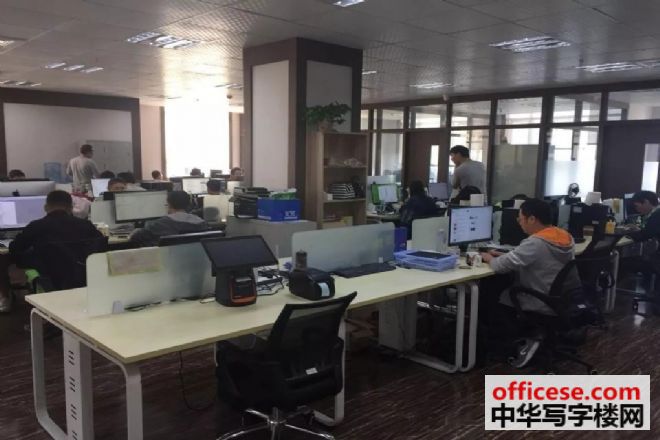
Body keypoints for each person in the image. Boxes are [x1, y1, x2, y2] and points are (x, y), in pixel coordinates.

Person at [479, 198, 575, 367]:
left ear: (532, 219)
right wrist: (507, 255)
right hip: (560, 298)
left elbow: (500, 267)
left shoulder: (535, 243)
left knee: (491, 296)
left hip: (539, 299)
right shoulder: (565, 237)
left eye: (520, 217)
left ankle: (505, 346)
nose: (518, 221)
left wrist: (487, 257)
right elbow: (535, 259)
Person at [9, 190, 106, 291]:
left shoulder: (35, 226)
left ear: (45, 208)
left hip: (48, 278)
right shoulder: (86, 225)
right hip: (82, 279)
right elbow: (100, 245)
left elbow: (14, 248)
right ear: (71, 208)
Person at [130, 191, 209, 247]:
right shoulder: (202, 223)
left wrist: (135, 231)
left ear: (169, 204)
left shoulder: (160, 223)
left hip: (167, 261)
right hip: (196, 261)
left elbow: (135, 238)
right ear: (189, 204)